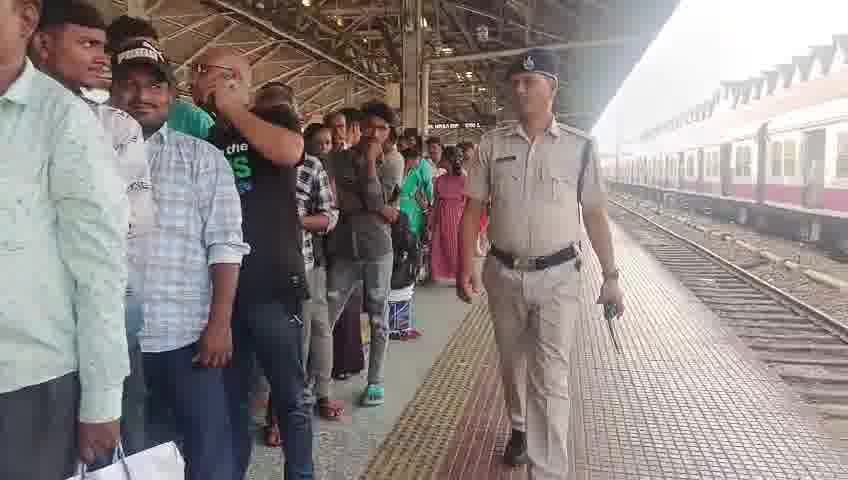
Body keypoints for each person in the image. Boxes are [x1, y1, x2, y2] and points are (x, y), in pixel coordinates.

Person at [458, 49, 626, 479]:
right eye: (514, 82)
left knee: (551, 375)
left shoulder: (580, 147)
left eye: (529, 82)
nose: (520, 89)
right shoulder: (492, 145)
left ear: (552, 88)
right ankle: (519, 426)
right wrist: (468, 264)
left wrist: (611, 276)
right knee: (511, 361)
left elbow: (594, 213)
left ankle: (548, 471)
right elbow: (473, 209)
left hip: (559, 277)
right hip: (502, 273)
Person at [0, 0, 130, 477]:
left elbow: (99, 269)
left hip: (25, 388)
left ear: (26, 20)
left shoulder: (62, 121)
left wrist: (102, 399)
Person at [110, 40, 248, 480]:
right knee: (134, 455)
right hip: (112, 343)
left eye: (154, 87)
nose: (141, 96)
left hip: (187, 337)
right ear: (113, 92)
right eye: (129, 85)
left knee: (207, 453)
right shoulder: (89, 155)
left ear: (171, 95)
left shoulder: (202, 158)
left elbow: (226, 245)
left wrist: (219, 324)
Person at [29, 0, 156, 458]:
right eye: (87, 44)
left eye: (103, 47)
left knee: (116, 444)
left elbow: (136, 219)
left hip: (110, 314)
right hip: (35, 331)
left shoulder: (116, 126)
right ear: (42, 43)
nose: (102, 58)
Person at [193, 47, 312, 480]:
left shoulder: (273, 118)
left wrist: (233, 108)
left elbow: (290, 150)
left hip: (273, 288)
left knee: (290, 398)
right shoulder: (209, 138)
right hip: (224, 297)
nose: (194, 78)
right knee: (233, 401)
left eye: (203, 71)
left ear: (232, 78)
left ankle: (300, 473)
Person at [325, 101, 397, 407]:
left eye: (381, 128)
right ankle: (319, 383)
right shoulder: (337, 158)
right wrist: (375, 205)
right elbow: (343, 201)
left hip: (378, 249)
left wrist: (368, 164)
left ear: (389, 132)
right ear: (358, 128)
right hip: (345, 248)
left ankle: (375, 381)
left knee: (379, 317)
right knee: (327, 315)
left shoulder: (393, 162)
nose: (373, 133)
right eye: (368, 127)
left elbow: (375, 199)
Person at [105, 14, 215, 140]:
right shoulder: (92, 119)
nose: (143, 96)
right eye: (133, 49)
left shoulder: (194, 119)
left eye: (153, 50)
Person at [430, 146, 467, 284]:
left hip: (458, 218)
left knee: (456, 248)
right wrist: (432, 220)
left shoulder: (464, 179)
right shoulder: (439, 180)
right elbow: (436, 202)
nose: (441, 161)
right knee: (438, 246)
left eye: (443, 159)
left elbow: (470, 203)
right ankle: (437, 273)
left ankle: (462, 276)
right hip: (442, 217)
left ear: (448, 160)